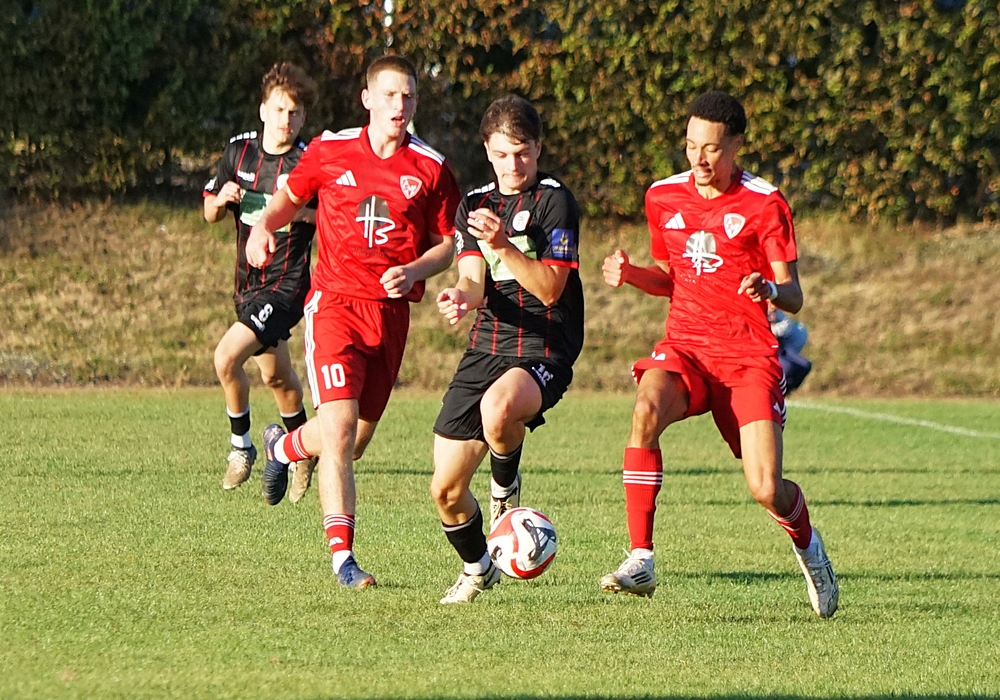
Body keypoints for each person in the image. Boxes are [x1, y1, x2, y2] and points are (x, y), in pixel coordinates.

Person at [600, 91, 838, 617]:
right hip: (686, 347)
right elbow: (671, 279)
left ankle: (809, 548)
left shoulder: (764, 204)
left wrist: (769, 289)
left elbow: (794, 295)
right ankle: (641, 558)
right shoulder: (663, 197)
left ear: (736, 146)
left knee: (766, 488)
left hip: (747, 358)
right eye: (691, 146)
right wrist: (631, 273)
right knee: (645, 411)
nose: (699, 159)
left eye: (710, 149)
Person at [245, 55, 461, 589]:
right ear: (367, 99)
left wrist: (415, 269)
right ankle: (343, 560)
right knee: (339, 432)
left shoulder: (431, 168)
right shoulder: (330, 149)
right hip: (335, 305)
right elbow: (289, 198)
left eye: (408, 96)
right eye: (389, 95)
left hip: (389, 318)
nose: (400, 105)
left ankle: (282, 447)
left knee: (354, 441)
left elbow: (449, 244)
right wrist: (263, 228)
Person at [430, 95, 584, 604]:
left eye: (521, 152)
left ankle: (504, 492)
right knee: (445, 491)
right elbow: (473, 281)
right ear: (487, 151)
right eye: (501, 154)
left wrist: (504, 246)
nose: (512, 165)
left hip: (545, 344)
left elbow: (551, 290)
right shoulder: (474, 204)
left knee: (499, 409)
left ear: (538, 148)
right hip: (487, 345)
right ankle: (479, 569)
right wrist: (460, 296)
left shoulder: (555, 202)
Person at [202, 63, 319, 502]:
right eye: (280, 110)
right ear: (263, 110)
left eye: (295, 112)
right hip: (247, 284)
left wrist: (299, 212)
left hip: (287, 284)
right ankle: (303, 448)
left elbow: (335, 217)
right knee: (278, 378)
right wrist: (220, 200)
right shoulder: (239, 153)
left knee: (225, 357)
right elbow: (209, 213)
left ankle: (241, 448)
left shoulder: (309, 161)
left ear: (303, 117)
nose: (287, 119)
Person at [769, 305, 812, 394]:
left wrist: (773, 328)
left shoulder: (777, 312)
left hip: (781, 346)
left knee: (805, 365)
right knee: (787, 368)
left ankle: (784, 392)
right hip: (765, 348)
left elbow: (786, 326)